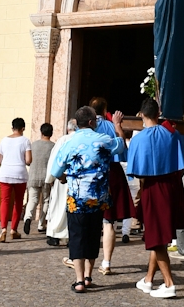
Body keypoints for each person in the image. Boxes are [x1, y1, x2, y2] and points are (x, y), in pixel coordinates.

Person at [49, 105, 125, 293]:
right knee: (93, 236)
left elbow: (56, 170)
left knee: (77, 237)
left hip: (76, 198)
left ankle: (79, 280)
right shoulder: (103, 140)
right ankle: (89, 276)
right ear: (92, 122)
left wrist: (64, 178)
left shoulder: (69, 142)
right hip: (99, 197)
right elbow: (121, 144)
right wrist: (117, 125)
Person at [126, 96, 184, 298]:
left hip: (153, 188)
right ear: (158, 114)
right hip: (173, 186)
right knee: (160, 236)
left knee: (156, 236)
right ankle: (148, 280)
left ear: (142, 115)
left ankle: (169, 283)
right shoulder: (173, 134)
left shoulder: (139, 139)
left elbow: (136, 170)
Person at [90, 96, 134, 275]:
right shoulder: (110, 126)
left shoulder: (85, 127)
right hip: (112, 171)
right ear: (104, 109)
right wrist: (117, 125)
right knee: (109, 222)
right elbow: (122, 148)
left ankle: (83, 262)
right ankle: (106, 262)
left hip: (91, 172)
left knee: (90, 221)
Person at [0, 117, 32, 243]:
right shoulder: (25, 141)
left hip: (5, 173)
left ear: (12, 128)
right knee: (18, 202)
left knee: (5, 201)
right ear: (23, 128)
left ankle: (3, 228)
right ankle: (14, 229)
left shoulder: (4, 140)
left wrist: (6, 164)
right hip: (19, 173)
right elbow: (28, 160)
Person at [45, 118, 77, 247]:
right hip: (75, 179)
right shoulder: (81, 139)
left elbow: (54, 160)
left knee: (58, 206)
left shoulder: (63, 139)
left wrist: (50, 178)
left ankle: (54, 235)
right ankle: (70, 236)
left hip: (61, 177)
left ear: (68, 128)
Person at [24, 122, 54, 236]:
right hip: (46, 177)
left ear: (41, 132)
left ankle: (28, 218)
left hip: (33, 176)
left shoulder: (33, 145)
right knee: (46, 201)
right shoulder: (53, 146)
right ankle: (41, 224)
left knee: (32, 200)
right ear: (51, 133)